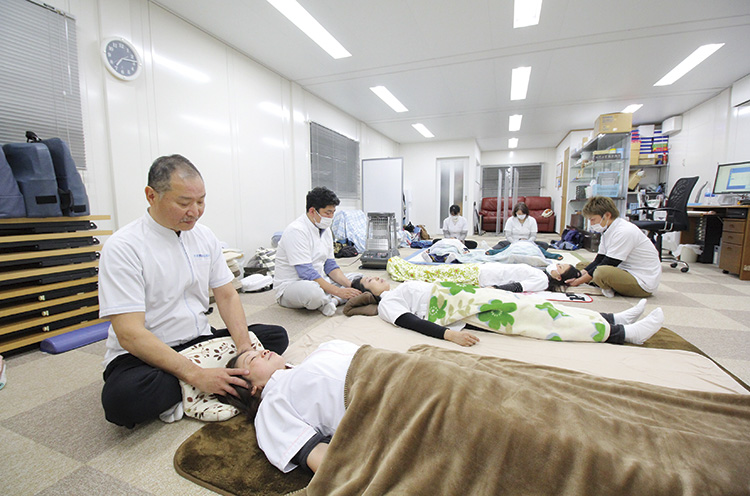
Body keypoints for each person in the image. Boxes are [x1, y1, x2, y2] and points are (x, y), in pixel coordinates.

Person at [98, 154, 289, 429]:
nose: (195, 212)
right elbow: (129, 333)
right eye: (184, 203)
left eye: (201, 201)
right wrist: (196, 375)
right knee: (122, 400)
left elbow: (226, 295)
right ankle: (203, 383)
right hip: (146, 355)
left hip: (200, 340)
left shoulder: (204, 236)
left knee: (275, 336)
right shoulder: (123, 247)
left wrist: (244, 349)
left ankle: (192, 389)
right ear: (151, 196)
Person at [351, 276, 663, 348]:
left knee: (536, 303)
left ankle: (610, 318)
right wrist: (448, 336)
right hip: (453, 310)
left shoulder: (402, 286)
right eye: (370, 281)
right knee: (533, 317)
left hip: (462, 294)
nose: (377, 278)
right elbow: (411, 322)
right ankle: (621, 335)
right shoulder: (388, 304)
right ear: (370, 293)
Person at [273, 187, 361, 316]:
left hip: (319, 279)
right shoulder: (296, 230)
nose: (331, 217)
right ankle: (332, 298)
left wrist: (350, 285)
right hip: (294, 285)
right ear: (312, 211)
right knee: (314, 294)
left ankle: (332, 301)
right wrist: (338, 291)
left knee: (358, 279)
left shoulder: (325, 230)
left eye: (333, 212)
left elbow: (330, 266)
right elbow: (306, 273)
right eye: (327, 213)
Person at [566, 196, 662, 298]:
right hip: (623, 269)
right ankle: (602, 283)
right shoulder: (607, 230)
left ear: (607, 215)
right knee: (582, 266)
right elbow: (599, 259)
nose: (592, 224)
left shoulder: (624, 231)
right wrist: (579, 275)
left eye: (593, 220)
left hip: (641, 280)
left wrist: (578, 281)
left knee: (600, 272)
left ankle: (604, 285)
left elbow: (609, 263)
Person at [386, 255, 579, 293]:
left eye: (560, 267)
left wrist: (494, 288)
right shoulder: (541, 273)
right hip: (480, 270)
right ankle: (402, 266)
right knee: (439, 271)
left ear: (558, 277)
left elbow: (519, 287)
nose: (556, 265)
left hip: (479, 277)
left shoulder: (541, 280)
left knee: (436, 273)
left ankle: (401, 268)